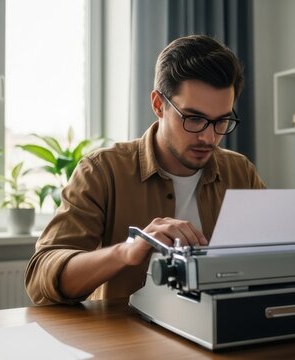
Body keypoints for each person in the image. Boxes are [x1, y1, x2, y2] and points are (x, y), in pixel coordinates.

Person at [25, 35, 265, 305]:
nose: (209, 138)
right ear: (158, 105)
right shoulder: (101, 171)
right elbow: (40, 276)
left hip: (220, 334)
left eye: (221, 121)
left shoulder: (241, 172)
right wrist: (127, 251)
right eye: (194, 119)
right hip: (129, 341)